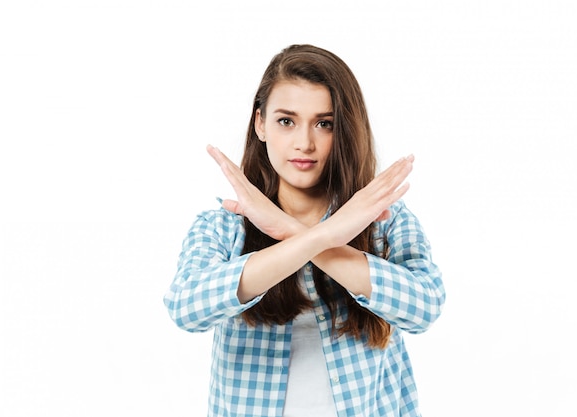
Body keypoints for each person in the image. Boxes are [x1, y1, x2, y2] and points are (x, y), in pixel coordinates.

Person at [163, 44, 445, 417]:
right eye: (286, 121)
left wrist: (295, 233)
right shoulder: (223, 224)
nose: (304, 143)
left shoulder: (381, 220)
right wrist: (315, 236)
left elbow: (424, 307)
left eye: (324, 123)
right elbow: (187, 309)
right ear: (260, 123)